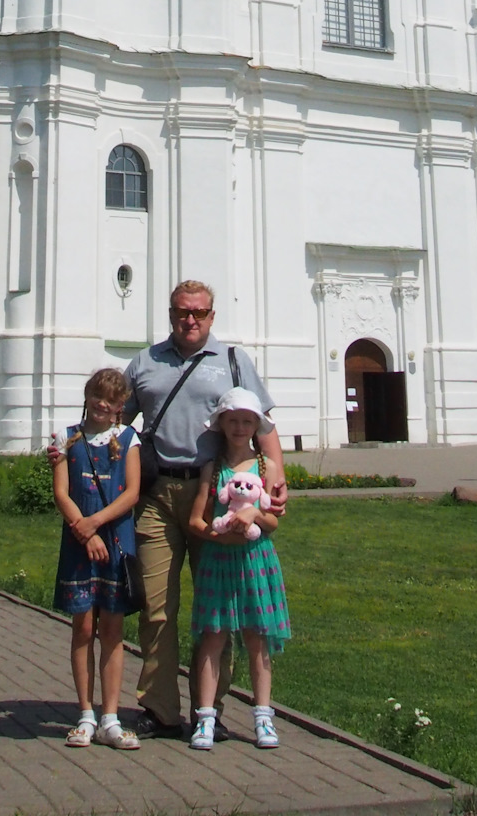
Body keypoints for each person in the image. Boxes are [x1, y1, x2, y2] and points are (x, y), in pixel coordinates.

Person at [122, 279, 287, 738]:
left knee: (221, 607)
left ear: (212, 316)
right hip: (158, 494)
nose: (189, 320)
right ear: (170, 314)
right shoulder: (145, 362)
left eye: (198, 312)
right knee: (157, 607)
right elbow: (119, 421)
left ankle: (208, 711)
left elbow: (264, 423)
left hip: (217, 493)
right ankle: (158, 709)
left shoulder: (232, 361)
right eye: (180, 312)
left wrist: (277, 473)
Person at [187, 387, 290, 751]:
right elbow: (196, 520)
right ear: (222, 424)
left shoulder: (268, 466)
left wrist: (253, 514)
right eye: (233, 421)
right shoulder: (212, 468)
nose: (240, 427)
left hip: (255, 560)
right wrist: (219, 535)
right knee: (214, 637)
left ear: (256, 426)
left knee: (257, 639)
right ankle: (205, 719)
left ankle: (263, 717)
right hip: (220, 559)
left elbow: (275, 521)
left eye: (248, 421)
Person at [51, 367, 143, 750]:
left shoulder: (127, 438)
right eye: (97, 397)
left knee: (113, 630)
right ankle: (86, 715)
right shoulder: (66, 438)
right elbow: (61, 493)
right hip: (79, 543)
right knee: (83, 628)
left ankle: (111, 717)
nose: (102, 405)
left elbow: (133, 491)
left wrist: (95, 523)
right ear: (87, 396)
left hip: (115, 541)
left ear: (121, 406)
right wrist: (83, 530)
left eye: (111, 400)